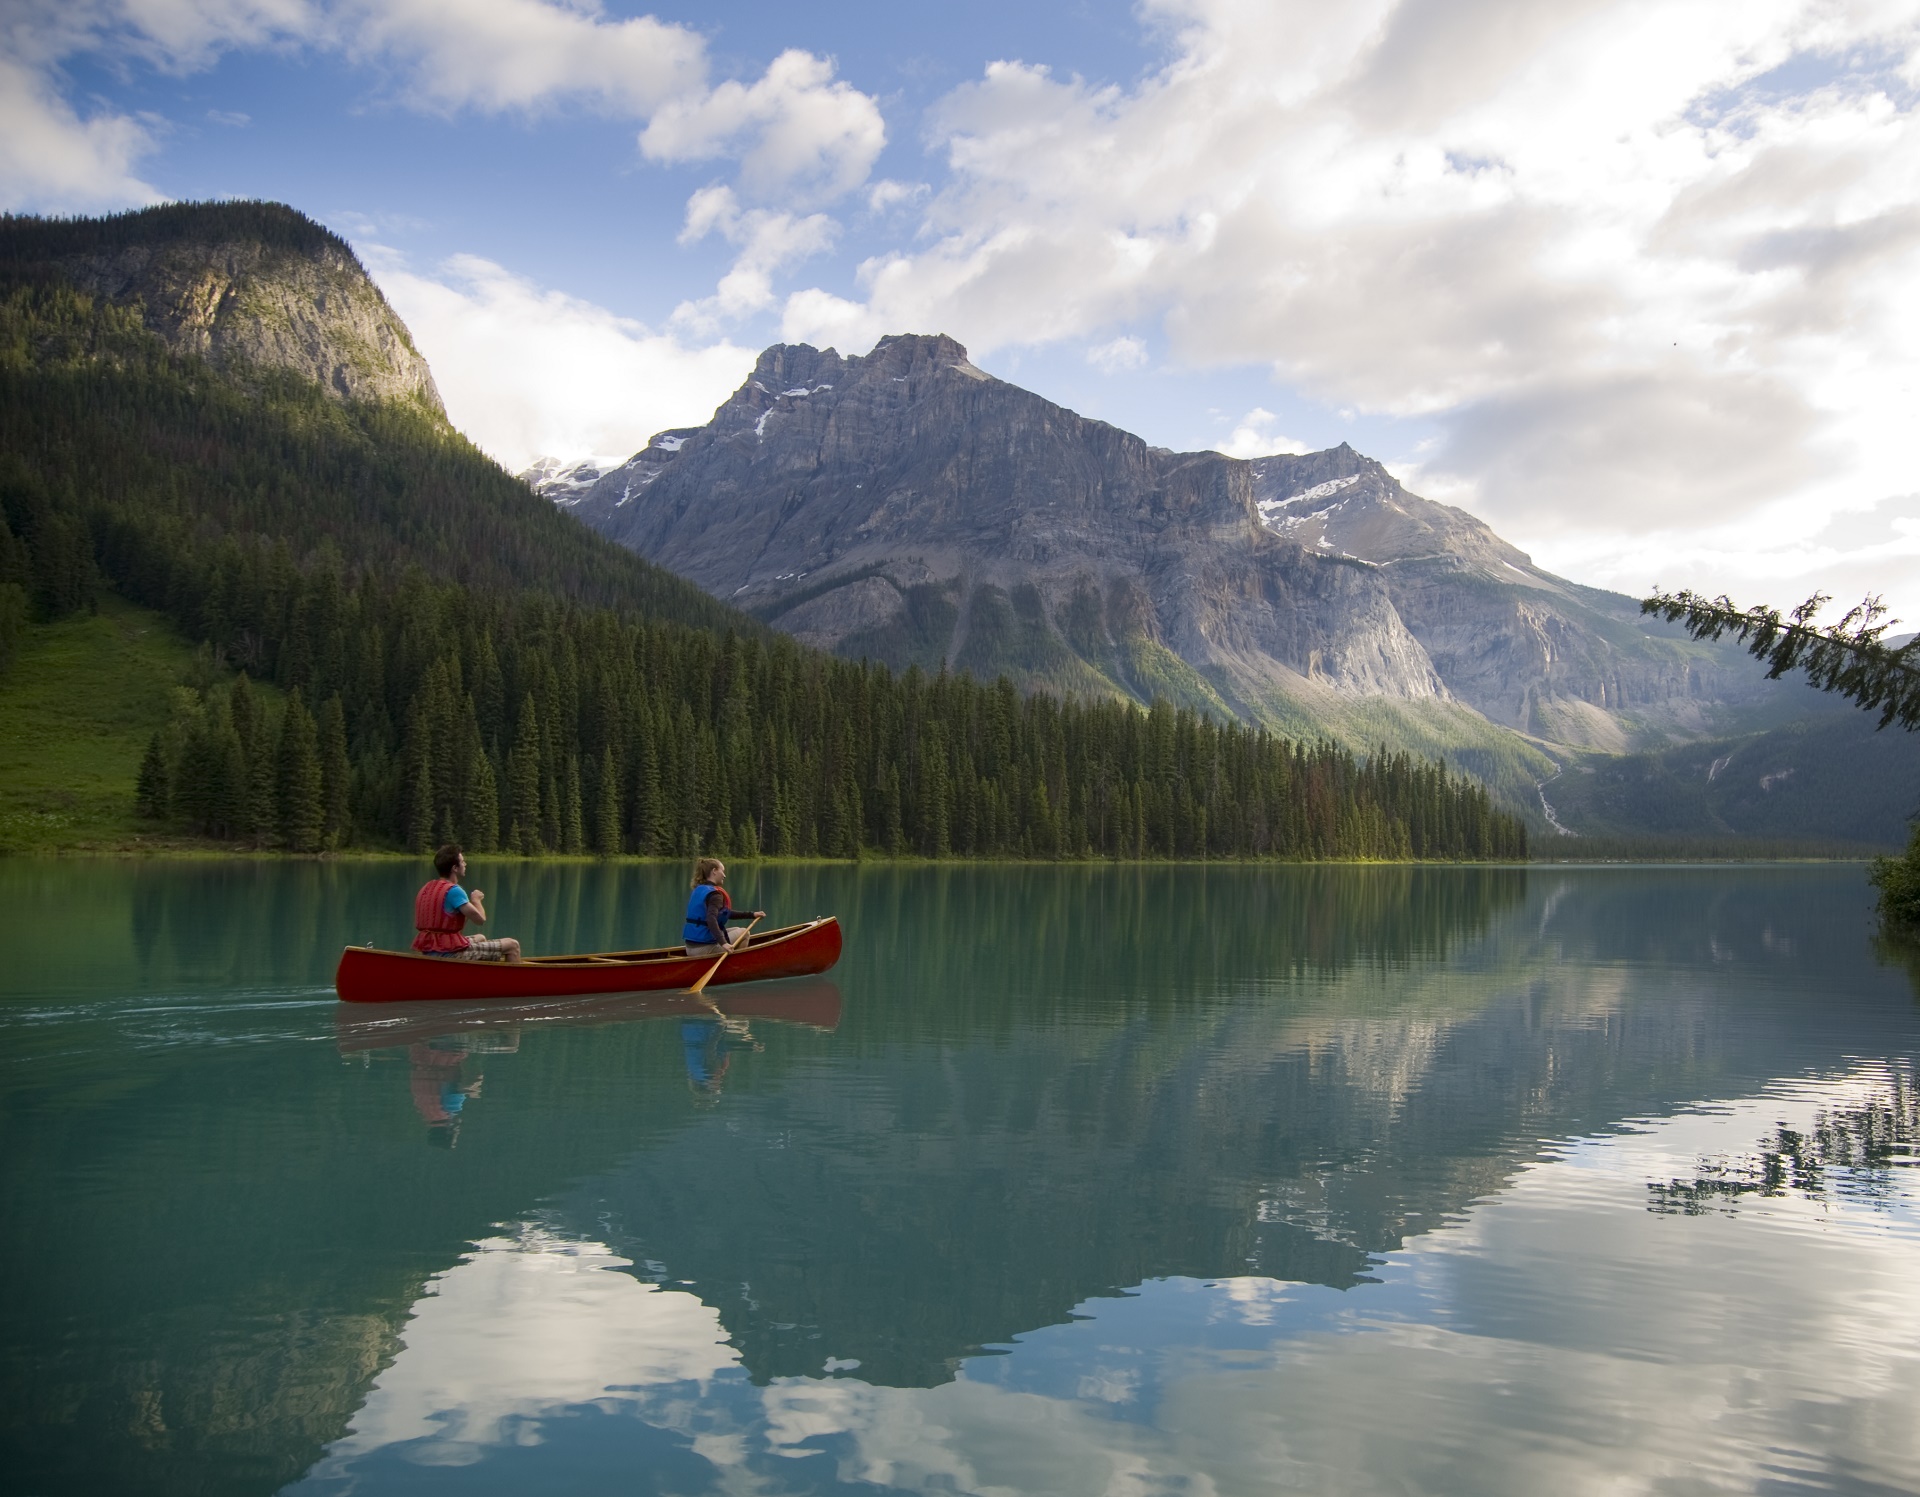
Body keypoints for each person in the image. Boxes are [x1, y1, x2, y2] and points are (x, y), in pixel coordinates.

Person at [413, 844, 523, 962]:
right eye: (463, 861)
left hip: (430, 949)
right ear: (455, 868)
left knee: (480, 938)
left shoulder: (427, 887)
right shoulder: (454, 891)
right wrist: (476, 901)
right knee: (513, 945)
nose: (465, 864)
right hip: (449, 952)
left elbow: (450, 924)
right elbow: (480, 920)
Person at [683, 856, 765, 958]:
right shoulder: (714, 894)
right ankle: (735, 965)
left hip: (690, 947)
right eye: (722, 871)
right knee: (745, 933)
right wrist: (723, 943)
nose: (724, 875)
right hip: (702, 948)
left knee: (737, 929)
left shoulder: (699, 889)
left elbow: (725, 913)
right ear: (714, 871)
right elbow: (711, 919)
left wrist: (752, 914)